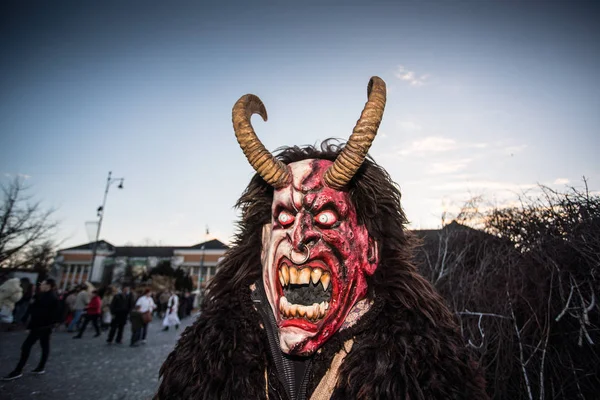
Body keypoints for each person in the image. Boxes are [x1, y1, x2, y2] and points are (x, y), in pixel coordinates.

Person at [155, 77, 488, 399]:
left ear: (370, 249)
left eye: (326, 217)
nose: (299, 238)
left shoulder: (426, 366)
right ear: (263, 245)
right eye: (284, 217)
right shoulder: (206, 354)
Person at [2, 279, 59, 381]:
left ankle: (18, 370)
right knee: (44, 345)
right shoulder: (46, 295)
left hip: (40, 326)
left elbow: (41, 313)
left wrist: (32, 326)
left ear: (48, 285)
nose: (41, 285)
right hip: (44, 326)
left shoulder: (49, 297)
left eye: (43, 283)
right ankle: (40, 367)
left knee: (26, 346)